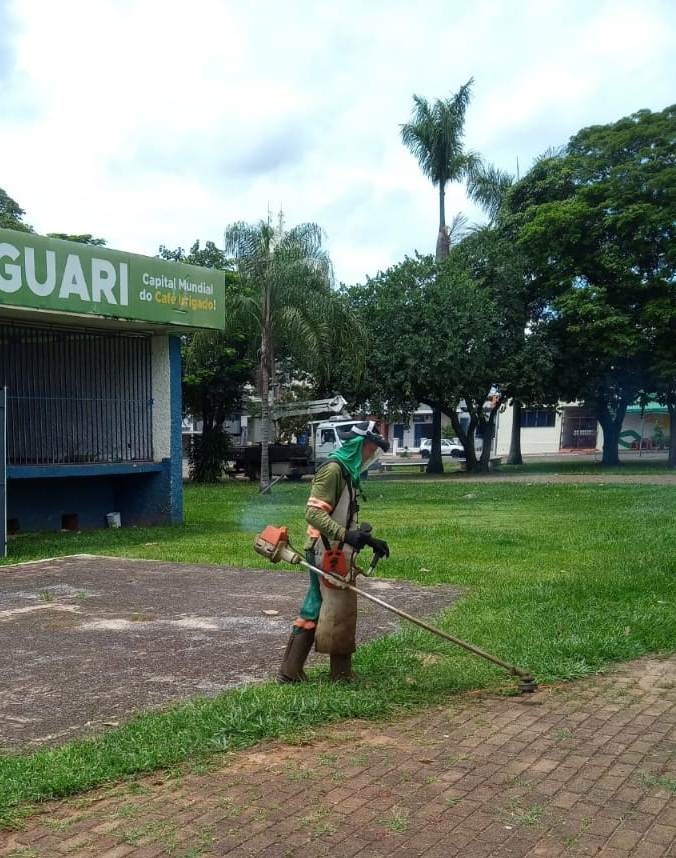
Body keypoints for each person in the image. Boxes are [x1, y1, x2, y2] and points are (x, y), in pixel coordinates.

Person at [278, 421, 390, 683]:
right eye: (371, 448)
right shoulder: (333, 470)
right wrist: (346, 535)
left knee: (315, 607)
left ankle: (290, 671)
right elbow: (313, 513)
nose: (372, 454)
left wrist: (368, 540)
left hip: (336, 549)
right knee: (340, 607)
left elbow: (343, 516)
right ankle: (340, 674)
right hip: (325, 551)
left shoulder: (347, 472)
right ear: (358, 445)